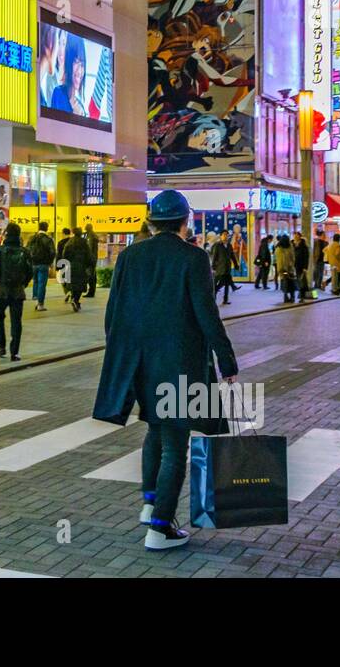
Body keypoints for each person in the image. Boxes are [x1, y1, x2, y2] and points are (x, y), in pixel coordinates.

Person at [93, 190, 239, 552]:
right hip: (180, 364)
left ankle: (149, 505)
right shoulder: (193, 257)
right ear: (184, 221)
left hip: (141, 363)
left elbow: (113, 314)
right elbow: (208, 314)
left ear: (151, 220)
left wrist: (121, 356)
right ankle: (160, 529)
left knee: (155, 432)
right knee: (176, 445)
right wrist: (227, 361)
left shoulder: (129, 256)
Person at [0, 222, 32, 361]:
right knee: (16, 321)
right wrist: (23, 284)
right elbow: (29, 272)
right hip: (18, 291)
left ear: (6, 233)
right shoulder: (24, 252)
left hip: (1, 290)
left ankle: (1, 347)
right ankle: (15, 352)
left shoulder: (0, 250)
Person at [26, 221, 58, 310]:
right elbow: (52, 252)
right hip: (44, 264)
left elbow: (27, 250)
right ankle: (40, 304)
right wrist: (50, 262)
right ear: (46, 228)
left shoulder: (32, 238)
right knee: (42, 284)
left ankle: (35, 297)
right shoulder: (48, 239)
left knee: (35, 281)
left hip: (33, 264)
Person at [63, 224, 94, 312]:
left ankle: (74, 299)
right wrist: (89, 264)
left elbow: (64, 255)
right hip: (81, 266)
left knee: (73, 284)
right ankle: (76, 300)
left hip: (71, 266)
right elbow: (88, 255)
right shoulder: (84, 242)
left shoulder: (69, 242)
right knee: (80, 285)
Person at [209, 234, 237, 305]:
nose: (225, 236)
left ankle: (225, 300)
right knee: (216, 284)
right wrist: (213, 267)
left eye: (227, 235)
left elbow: (232, 256)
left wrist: (236, 264)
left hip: (227, 268)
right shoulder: (217, 245)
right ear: (221, 236)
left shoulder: (229, 245)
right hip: (219, 268)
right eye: (224, 235)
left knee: (227, 284)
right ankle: (212, 300)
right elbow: (214, 256)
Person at [273, 235, 295, 303]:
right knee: (290, 283)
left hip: (283, 269)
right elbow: (292, 258)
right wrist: (291, 265)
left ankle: (286, 297)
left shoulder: (278, 249)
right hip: (288, 269)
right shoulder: (288, 247)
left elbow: (279, 261)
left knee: (286, 282)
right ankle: (291, 297)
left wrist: (281, 270)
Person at [292, 231, 311, 301]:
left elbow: (306, 257)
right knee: (296, 281)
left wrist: (305, 267)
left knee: (301, 281)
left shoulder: (304, 246)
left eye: (297, 236)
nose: (295, 237)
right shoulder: (292, 244)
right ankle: (294, 296)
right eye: (294, 236)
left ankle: (302, 296)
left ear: (300, 237)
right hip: (293, 266)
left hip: (301, 266)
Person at [83, 224, 100, 298]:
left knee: (91, 275)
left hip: (91, 258)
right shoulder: (92, 235)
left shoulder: (90, 236)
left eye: (86, 227)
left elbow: (89, 248)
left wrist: (87, 257)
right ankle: (92, 291)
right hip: (93, 257)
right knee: (92, 274)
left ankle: (91, 292)